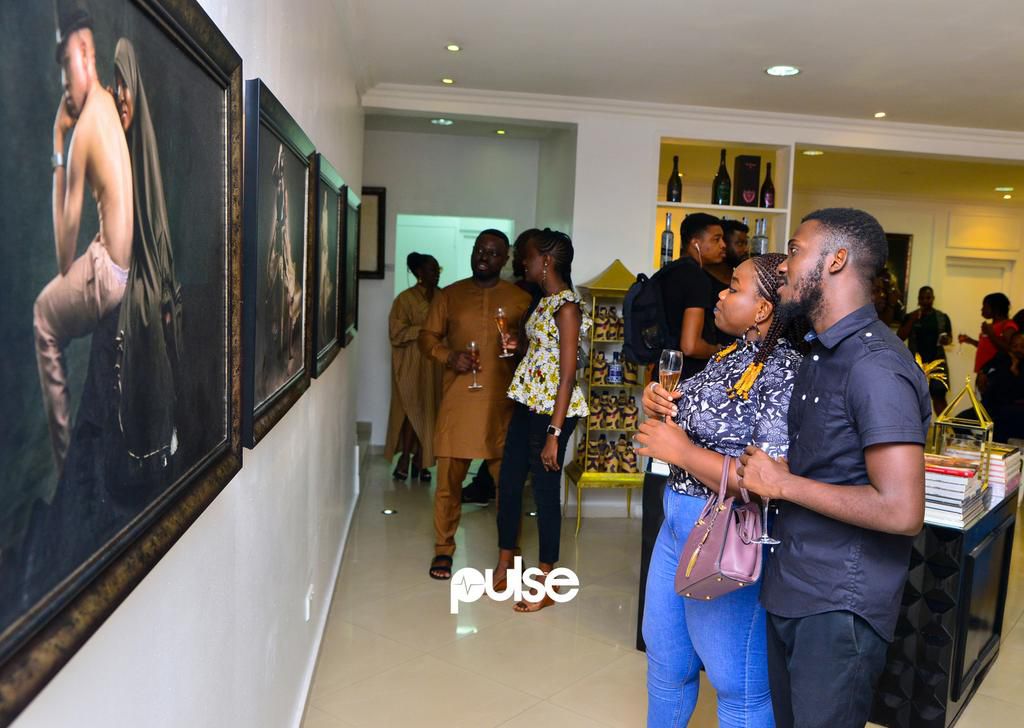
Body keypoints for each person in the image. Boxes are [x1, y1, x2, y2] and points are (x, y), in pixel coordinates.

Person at [737, 208, 931, 728]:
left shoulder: (876, 367)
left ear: (837, 260)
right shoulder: (822, 354)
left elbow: (902, 509)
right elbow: (830, 465)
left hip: (838, 604)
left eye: (796, 250)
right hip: (795, 583)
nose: (783, 266)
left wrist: (783, 483)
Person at [635, 253, 803, 727]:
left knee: (738, 685)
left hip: (727, 530)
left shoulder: (783, 372)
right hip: (677, 521)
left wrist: (683, 452)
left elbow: (767, 482)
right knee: (666, 665)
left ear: (764, 309)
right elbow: (692, 422)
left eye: (733, 287)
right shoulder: (730, 356)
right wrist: (660, 400)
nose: (720, 295)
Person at [34, 8, 135, 473]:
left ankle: (62, 464)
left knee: (43, 317)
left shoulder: (82, 133)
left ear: (81, 55)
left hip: (107, 275)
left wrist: (59, 142)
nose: (62, 80)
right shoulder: (111, 107)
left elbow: (61, 256)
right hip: (121, 265)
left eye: (64, 64)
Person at [636, 212, 727, 649]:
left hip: (661, 381)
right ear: (694, 242)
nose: (723, 247)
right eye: (715, 239)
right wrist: (724, 349)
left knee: (662, 488)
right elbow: (690, 345)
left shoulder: (666, 272)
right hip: (686, 384)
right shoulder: (694, 279)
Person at [419, 230, 531, 579]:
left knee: (508, 485)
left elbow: (537, 348)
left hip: (503, 404)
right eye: (479, 250)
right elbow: (426, 338)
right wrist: (448, 356)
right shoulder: (449, 295)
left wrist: (521, 348)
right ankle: (443, 549)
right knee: (448, 482)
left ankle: (509, 551)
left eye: (493, 253)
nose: (484, 256)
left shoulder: (520, 300)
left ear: (505, 259)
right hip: (459, 401)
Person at [490, 230, 590, 612]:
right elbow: (544, 353)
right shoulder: (543, 301)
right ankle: (505, 563)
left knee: (546, 492)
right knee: (509, 482)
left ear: (546, 261)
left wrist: (554, 433)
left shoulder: (567, 307)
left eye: (528, 258)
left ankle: (548, 578)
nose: (524, 263)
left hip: (551, 413)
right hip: (527, 402)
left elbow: (567, 375)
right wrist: (521, 348)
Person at [110, 37, 184, 469]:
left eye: (126, 85)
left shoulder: (143, 149)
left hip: (146, 283)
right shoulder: (116, 146)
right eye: (114, 85)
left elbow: (155, 229)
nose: (121, 96)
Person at [462, 228, 543, 505]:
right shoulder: (517, 290)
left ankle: (498, 495)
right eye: (524, 255)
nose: (525, 261)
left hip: (527, 385)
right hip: (508, 382)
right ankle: (489, 488)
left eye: (529, 255)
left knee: (512, 446)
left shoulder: (534, 295)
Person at [385, 253, 442, 482]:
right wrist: (424, 331)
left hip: (435, 364)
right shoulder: (404, 300)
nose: (436, 274)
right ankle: (405, 458)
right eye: (431, 270)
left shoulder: (443, 297)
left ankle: (422, 460)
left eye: (438, 269)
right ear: (419, 272)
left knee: (430, 411)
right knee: (410, 411)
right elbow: (396, 332)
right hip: (410, 362)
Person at [898, 285, 953, 414]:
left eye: (928, 298)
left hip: (937, 363)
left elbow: (949, 338)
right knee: (913, 398)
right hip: (915, 364)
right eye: (922, 298)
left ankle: (943, 431)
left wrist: (947, 340)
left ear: (933, 298)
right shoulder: (911, 316)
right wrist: (912, 320)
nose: (925, 301)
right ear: (918, 299)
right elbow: (900, 336)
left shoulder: (942, 317)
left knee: (939, 397)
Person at [979, 331, 1024, 442]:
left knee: (1001, 420)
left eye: (1022, 347)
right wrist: (982, 374)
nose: (1018, 349)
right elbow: (985, 367)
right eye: (1015, 346)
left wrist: (1015, 370)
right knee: (962, 419)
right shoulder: (1002, 356)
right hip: (991, 404)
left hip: (1012, 407)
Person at [958, 292, 1019, 374]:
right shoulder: (990, 326)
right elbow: (987, 346)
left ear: (996, 309)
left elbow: (1009, 349)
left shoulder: (1008, 325)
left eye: (985, 307)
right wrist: (969, 340)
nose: (982, 309)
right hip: (982, 372)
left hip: (996, 372)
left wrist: (990, 334)